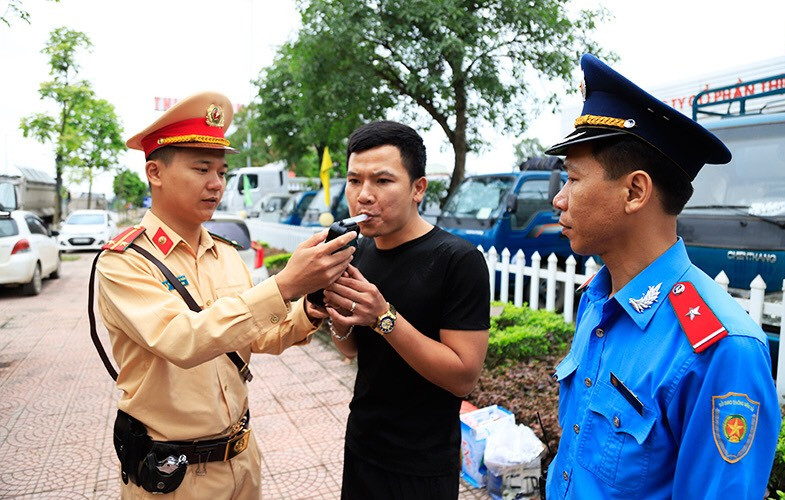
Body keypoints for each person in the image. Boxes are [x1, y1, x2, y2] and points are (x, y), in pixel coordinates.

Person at [94, 91, 356, 499]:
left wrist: (310, 304)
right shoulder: (125, 263)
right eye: (202, 169)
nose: (216, 184)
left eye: (222, 172)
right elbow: (184, 340)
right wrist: (285, 284)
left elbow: (256, 336)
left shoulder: (225, 253)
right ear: (155, 172)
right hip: (173, 476)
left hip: (242, 458)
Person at [544, 54, 781, 499]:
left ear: (635, 191)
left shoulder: (721, 349)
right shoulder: (597, 300)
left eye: (573, 180)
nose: (559, 199)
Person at [322, 121, 491, 499]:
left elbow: (463, 377)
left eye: (382, 181)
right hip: (363, 443)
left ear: (418, 188)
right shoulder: (360, 251)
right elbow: (352, 352)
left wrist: (384, 317)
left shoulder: (457, 260)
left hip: (422, 463)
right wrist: (337, 312)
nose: (364, 195)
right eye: (354, 180)